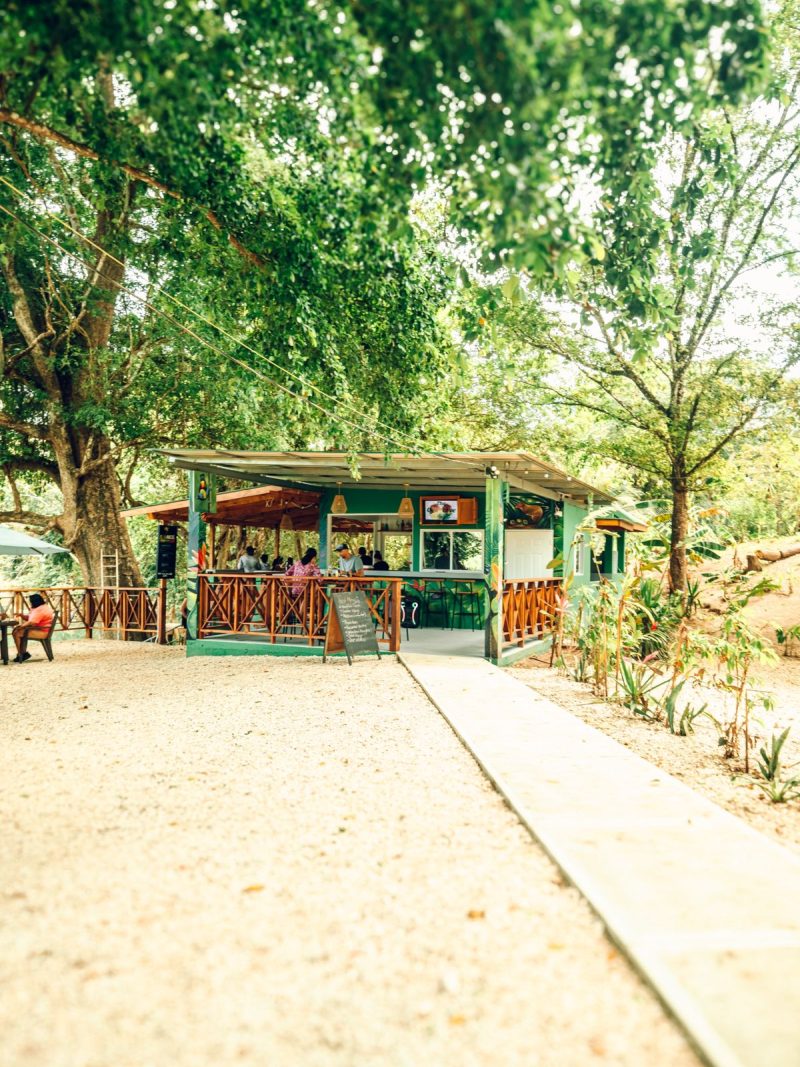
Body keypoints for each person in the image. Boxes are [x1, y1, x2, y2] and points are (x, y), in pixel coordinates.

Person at [12, 593, 54, 663]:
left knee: (17, 632)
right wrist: (22, 616)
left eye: (31, 602)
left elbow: (32, 622)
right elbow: (32, 618)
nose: (30, 603)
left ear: (34, 602)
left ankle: (21, 654)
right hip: (41, 629)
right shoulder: (42, 607)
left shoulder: (40, 610)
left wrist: (21, 626)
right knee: (17, 631)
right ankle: (22, 653)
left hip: (43, 632)